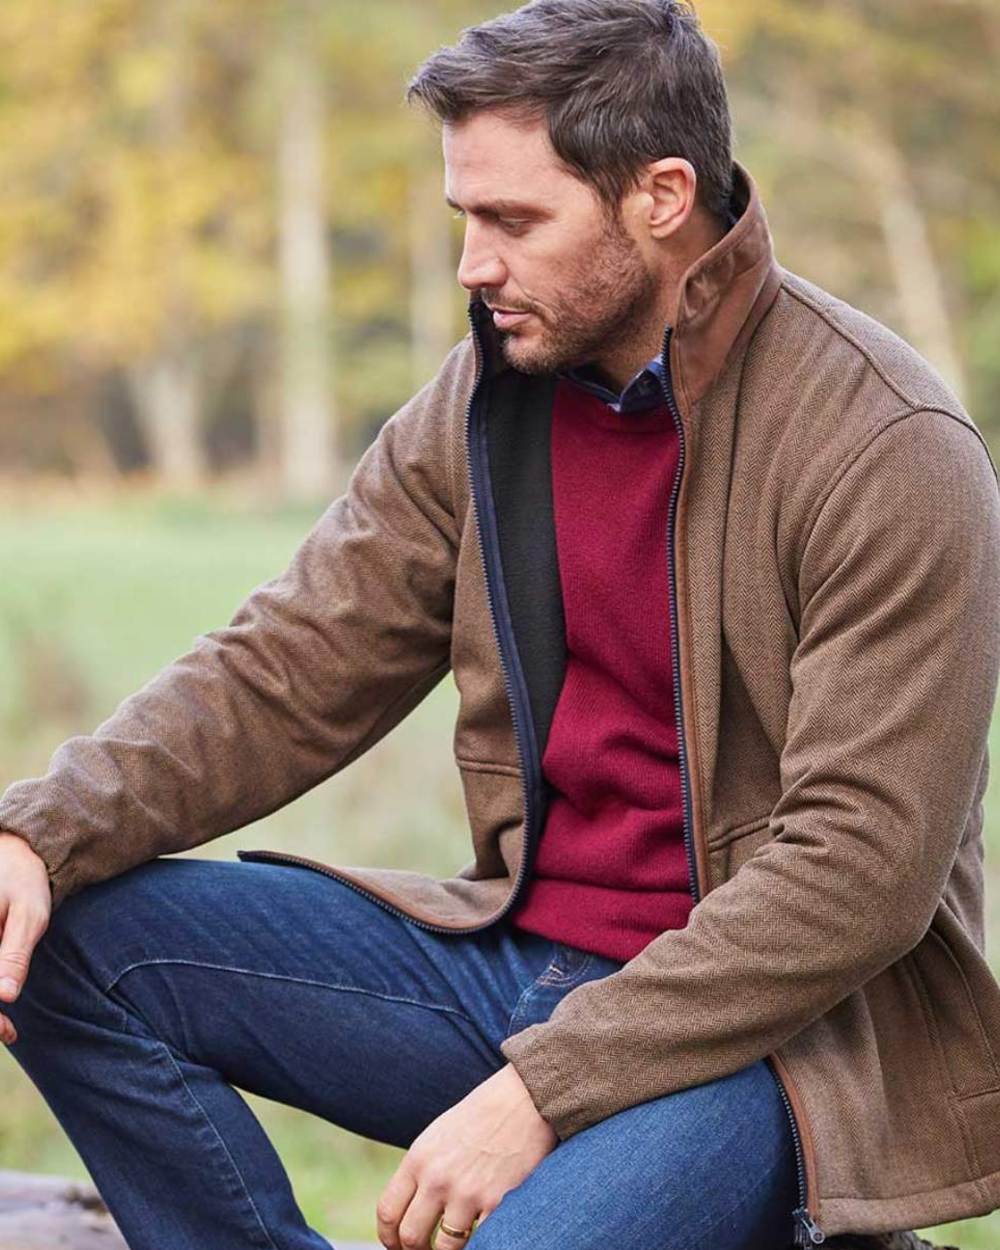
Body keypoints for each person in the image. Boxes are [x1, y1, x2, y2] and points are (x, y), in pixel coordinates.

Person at [1, 1, 998, 1247]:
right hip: (511, 963)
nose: (473, 262)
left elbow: (857, 873)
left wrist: (543, 1088)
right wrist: (38, 832)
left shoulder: (885, 445)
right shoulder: (487, 397)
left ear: (662, 197)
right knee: (55, 932)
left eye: (514, 220)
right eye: (464, 217)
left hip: (767, 1050)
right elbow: (289, 664)